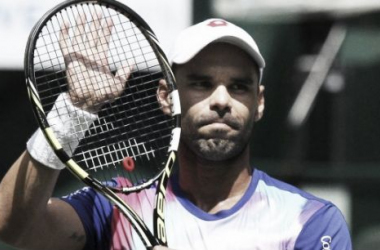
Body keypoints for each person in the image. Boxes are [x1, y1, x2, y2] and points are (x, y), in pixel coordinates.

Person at [0, 17, 352, 250]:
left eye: (239, 86)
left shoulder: (310, 220)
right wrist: (73, 112)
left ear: (258, 103)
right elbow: (11, 225)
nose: (221, 101)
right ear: (167, 97)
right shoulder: (115, 207)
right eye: (201, 84)